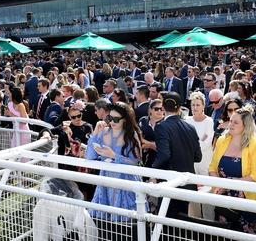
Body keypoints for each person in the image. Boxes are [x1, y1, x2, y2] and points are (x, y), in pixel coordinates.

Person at [85, 102, 145, 239]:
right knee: (105, 226)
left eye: (116, 119)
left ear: (125, 119)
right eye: (109, 118)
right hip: (106, 182)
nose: (112, 122)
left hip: (126, 182)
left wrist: (114, 156)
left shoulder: (131, 134)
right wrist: (95, 133)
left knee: (125, 226)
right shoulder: (103, 132)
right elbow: (89, 157)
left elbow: (135, 162)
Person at [209, 107, 256, 234]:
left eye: (235, 122)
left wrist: (229, 184)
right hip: (222, 199)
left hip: (245, 200)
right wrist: (218, 184)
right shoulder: (222, 140)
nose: (231, 124)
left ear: (246, 126)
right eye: (230, 120)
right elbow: (212, 167)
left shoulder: (255, 144)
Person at [152, 91, 202, 218]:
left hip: (169, 183)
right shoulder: (190, 127)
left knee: (166, 225)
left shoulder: (161, 126)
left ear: (163, 107)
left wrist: (152, 171)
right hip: (187, 184)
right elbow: (198, 157)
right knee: (179, 225)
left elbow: (164, 155)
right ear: (180, 108)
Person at [184, 92, 214, 219]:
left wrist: (193, 144)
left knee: (207, 194)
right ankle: (194, 220)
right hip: (191, 162)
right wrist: (197, 142)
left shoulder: (209, 121)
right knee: (192, 193)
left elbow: (207, 143)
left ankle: (209, 220)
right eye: (193, 105)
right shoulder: (187, 120)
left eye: (197, 105)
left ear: (203, 106)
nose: (195, 107)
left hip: (205, 162)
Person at [138, 99, 164, 168]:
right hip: (143, 156)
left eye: (161, 109)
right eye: (156, 109)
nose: (159, 111)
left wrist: (148, 143)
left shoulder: (166, 123)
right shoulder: (143, 121)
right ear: (150, 110)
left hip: (160, 159)